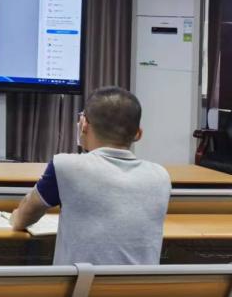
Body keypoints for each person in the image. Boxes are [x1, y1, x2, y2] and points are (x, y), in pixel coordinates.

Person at [10, 86, 171, 265]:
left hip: (83, 283)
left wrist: (14, 217)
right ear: (138, 134)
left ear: (83, 124)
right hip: (143, 283)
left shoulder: (66, 166)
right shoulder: (161, 176)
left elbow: (25, 216)